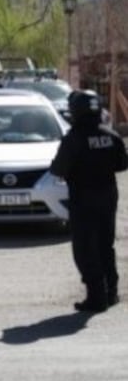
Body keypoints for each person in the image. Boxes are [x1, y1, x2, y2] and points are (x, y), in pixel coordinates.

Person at [50, 90, 128, 312]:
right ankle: (111, 292)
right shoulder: (111, 136)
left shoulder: (73, 139)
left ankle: (96, 297)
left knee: (85, 249)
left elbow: (58, 169)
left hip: (83, 200)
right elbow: (122, 164)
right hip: (108, 196)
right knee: (106, 245)